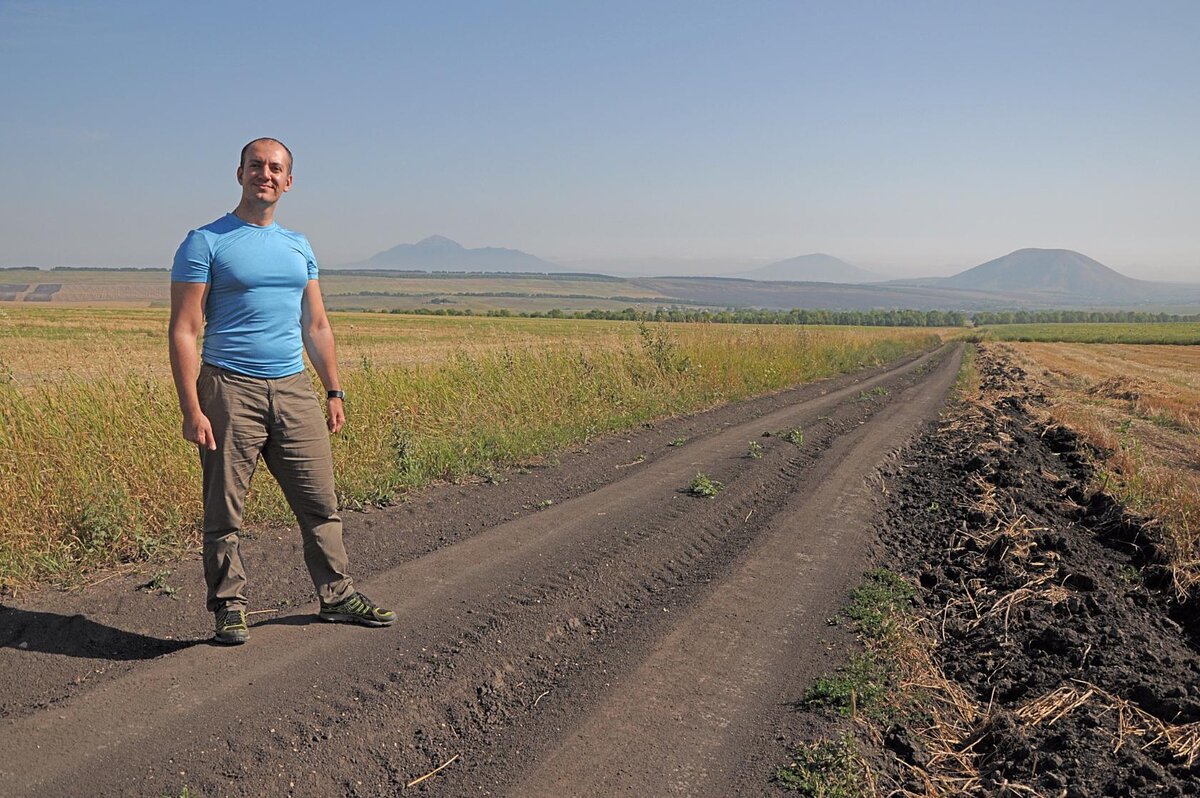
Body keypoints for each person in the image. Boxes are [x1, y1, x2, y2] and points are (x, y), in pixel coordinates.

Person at [168, 137, 394, 644]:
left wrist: (333, 390)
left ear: (288, 181)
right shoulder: (204, 241)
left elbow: (315, 324)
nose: (264, 174)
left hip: (294, 389)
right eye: (256, 166)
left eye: (275, 168)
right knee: (225, 508)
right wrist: (191, 407)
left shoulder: (299, 245)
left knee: (320, 501)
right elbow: (185, 329)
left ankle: (336, 596)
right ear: (240, 173)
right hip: (229, 387)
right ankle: (229, 605)